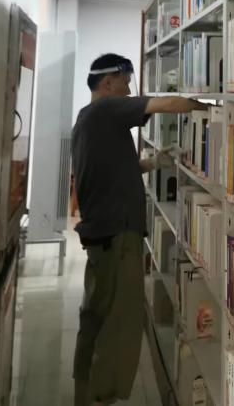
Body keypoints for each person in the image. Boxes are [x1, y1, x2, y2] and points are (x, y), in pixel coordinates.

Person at [71, 53, 205, 406]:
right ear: (108, 81)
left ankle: (84, 391)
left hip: (101, 235)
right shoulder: (105, 109)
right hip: (118, 235)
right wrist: (208, 108)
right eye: (126, 81)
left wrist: (154, 162)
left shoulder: (87, 119)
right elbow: (169, 104)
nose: (129, 89)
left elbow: (117, 168)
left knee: (95, 314)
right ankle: (102, 396)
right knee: (120, 320)